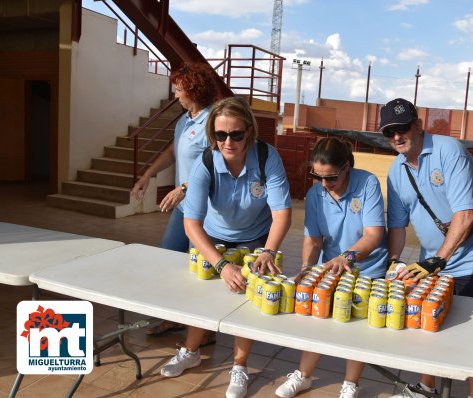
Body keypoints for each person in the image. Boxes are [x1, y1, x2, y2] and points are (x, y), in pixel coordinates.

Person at [160, 96, 292, 398]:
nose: (228, 141)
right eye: (220, 135)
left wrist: (268, 252)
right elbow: (191, 223)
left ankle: (240, 366)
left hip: (255, 237)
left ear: (249, 131)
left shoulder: (266, 157)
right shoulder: (206, 162)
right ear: (212, 135)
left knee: (246, 296)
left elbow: (282, 212)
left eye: (236, 134)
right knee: (202, 292)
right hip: (214, 235)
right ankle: (190, 351)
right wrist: (221, 264)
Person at [380, 98, 473, 398]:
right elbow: (397, 225)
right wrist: (393, 260)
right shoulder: (397, 171)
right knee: (428, 325)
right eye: (388, 132)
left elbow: (467, 215)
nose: (396, 136)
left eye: (402, 128)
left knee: (470, 336)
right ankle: (425, 388)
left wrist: (437, 261)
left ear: (418, 125)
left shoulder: (450, 151)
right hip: (432, 261)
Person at [275, 137, 388, 398]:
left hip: (366, 267)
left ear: (346, 167)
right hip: (331, 266)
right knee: (318, 319)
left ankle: (350, 383)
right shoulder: (316, 194)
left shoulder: (367, 183)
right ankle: (303, 375)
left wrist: (347, 257)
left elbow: (373, 234)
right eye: (318, 177)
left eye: (331, 178)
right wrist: (306, 268)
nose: (325, 185)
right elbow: (314, 238)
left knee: (357, 324)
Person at [131, 63, 217, 338]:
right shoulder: (184, 120)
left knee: (199, 269)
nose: (176, 96)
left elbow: (219, 164)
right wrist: (147, 176)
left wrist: (184, 187)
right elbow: (172, 151)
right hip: (183, 209)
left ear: (194, 89)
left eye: (179, 90)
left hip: (204, 212)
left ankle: (205, 330)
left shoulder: (213, 121)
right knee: (167, 260)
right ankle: (174, 317)